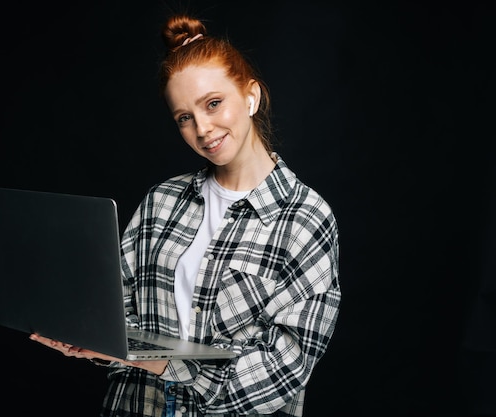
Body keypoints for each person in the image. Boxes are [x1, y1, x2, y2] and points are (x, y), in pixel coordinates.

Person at [29, 12, 340, 417]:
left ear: (251, 96)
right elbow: (118, 306)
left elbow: (281, 371)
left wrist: (162, 363)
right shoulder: (162, 202)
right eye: (184, 118)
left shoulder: (306, 219)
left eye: (214, 104)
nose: (203, 128)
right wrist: (93, 337)